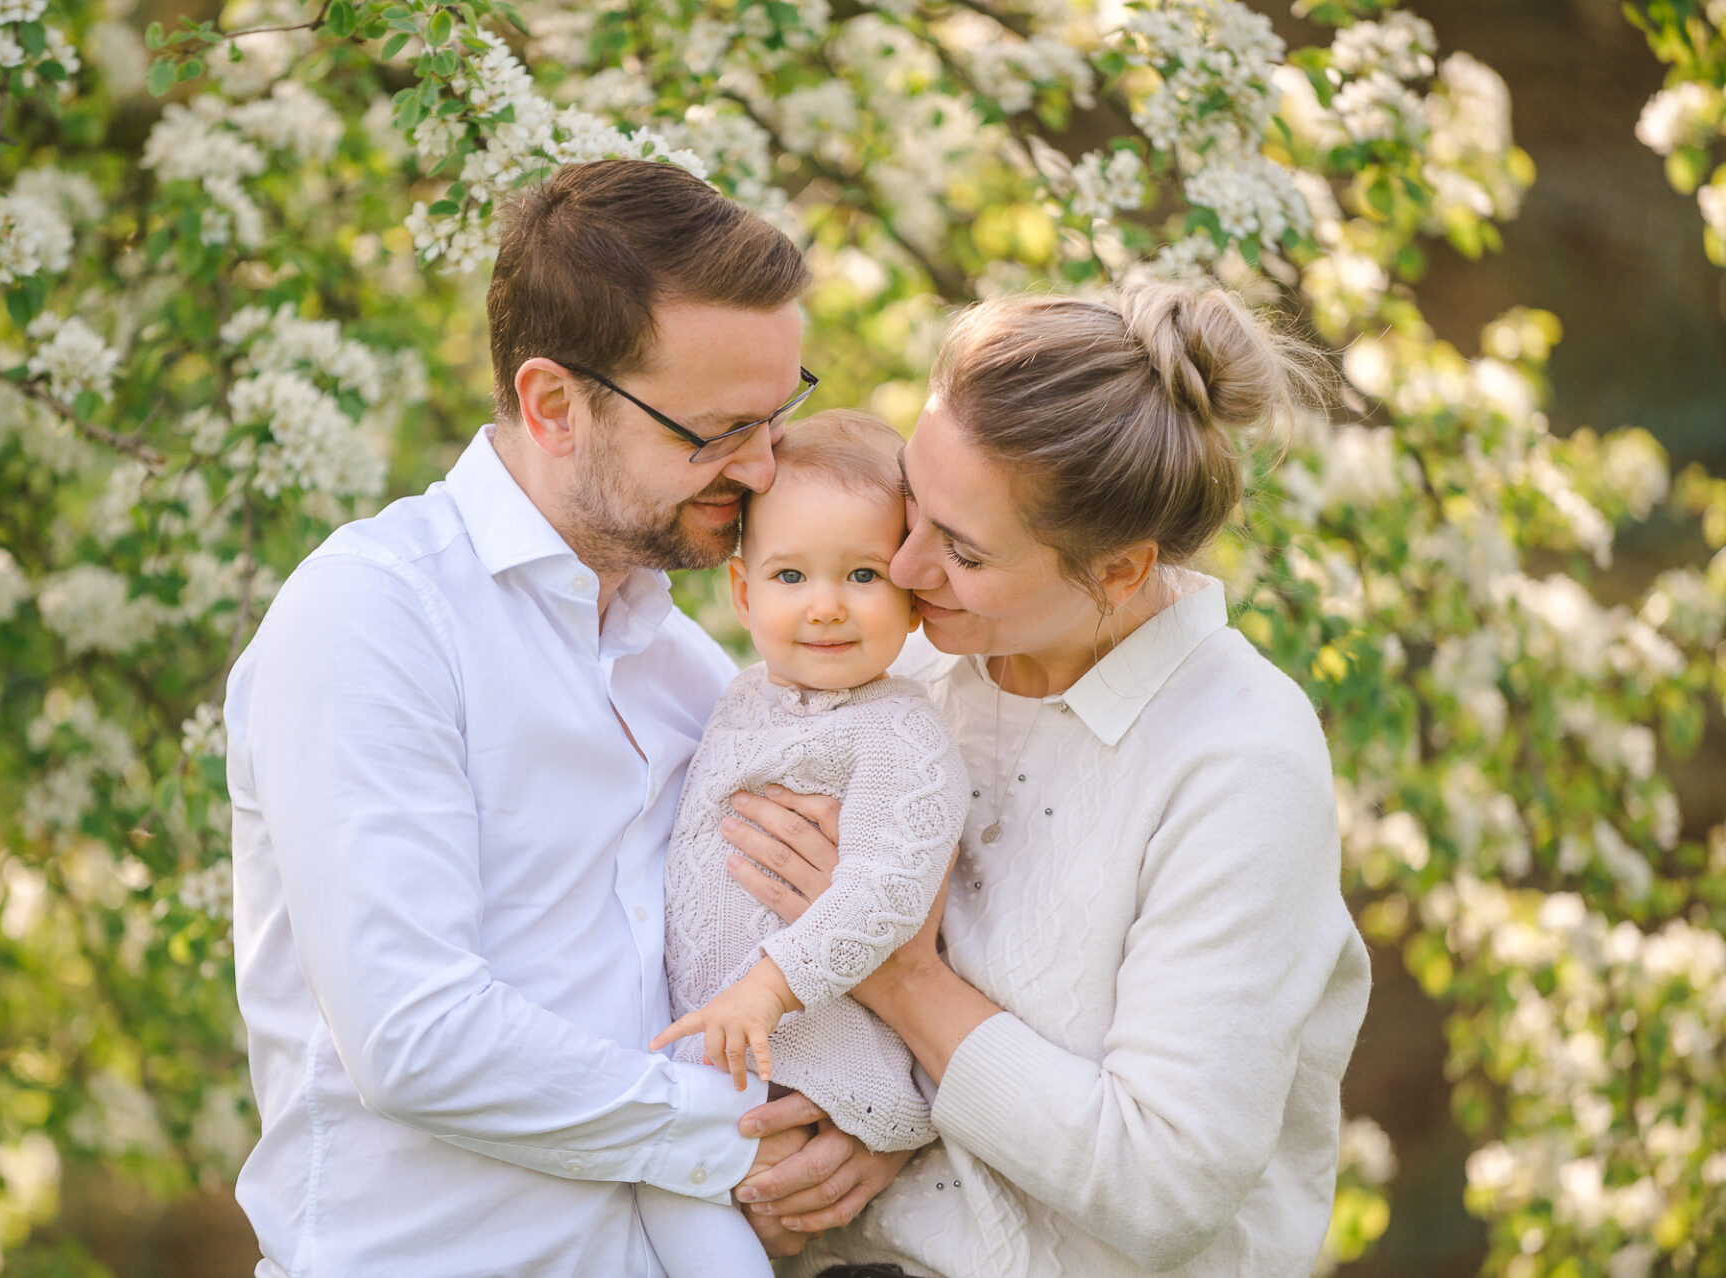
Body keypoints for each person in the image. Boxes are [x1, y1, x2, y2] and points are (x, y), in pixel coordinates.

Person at [223, 159, 900, 1277]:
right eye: (721, 429)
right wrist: (732, 1139)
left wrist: (840, 1136)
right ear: (552, 405)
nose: (766, 466)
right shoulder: (373, 619)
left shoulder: (690, 668)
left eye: (779, 416)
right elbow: (416, 1039)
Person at [721, 284, 1374, 1276]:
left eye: (964, 551)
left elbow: (1163, 1187)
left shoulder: (1239, 760)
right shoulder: (906, 664)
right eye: (914, 507)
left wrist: (897, 973)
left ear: (1119, 570)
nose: (901, 563)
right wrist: (854, 1121)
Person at [638, 411, 969, 1278]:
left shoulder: (900, 735)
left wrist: (768, 987)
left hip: (816, 1076)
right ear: (744, 592)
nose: (825, 606)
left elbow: (885, 892)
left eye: (862, 573)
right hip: (718, 1067)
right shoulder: (737, 694)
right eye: (791, 575)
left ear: (911, 594)